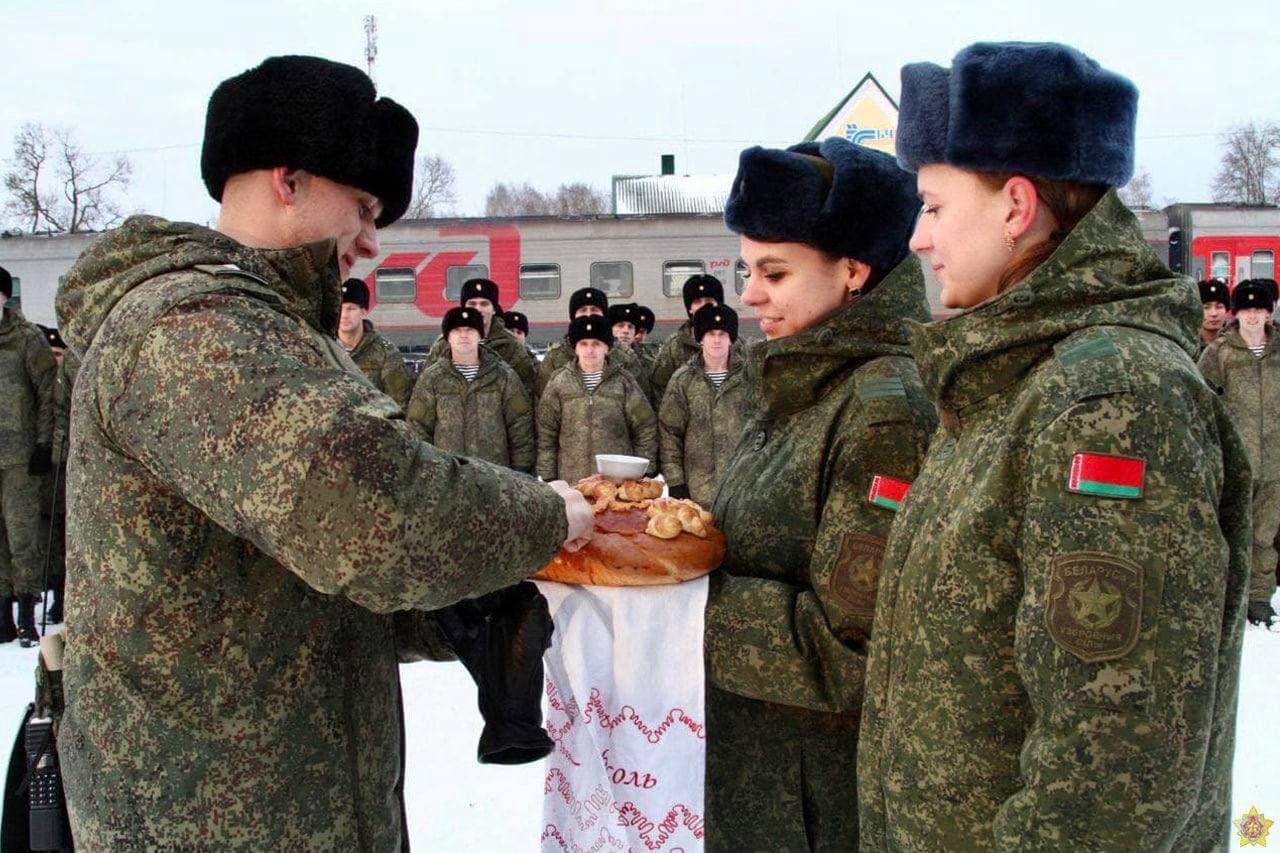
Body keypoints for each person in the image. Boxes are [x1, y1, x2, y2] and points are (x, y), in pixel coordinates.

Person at [52, 55, 592, 850]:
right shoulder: (191, 331)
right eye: (365, 208)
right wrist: (547, 519)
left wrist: (460, 607)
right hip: (213, 822)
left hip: (293, 803)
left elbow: (297, 580)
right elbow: (371, 513)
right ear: (289, 177)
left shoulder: (276, 333)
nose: (371, 241)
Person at [858, 42, 1250, 850]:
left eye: (933, 206)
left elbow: (1110, 781)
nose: (918, 239)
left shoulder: (1108, 399)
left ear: (1015, 206)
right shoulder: (1011, 377)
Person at [703, 136, 935, 849]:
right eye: (746, 270)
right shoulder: (801, 383)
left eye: (774, 272)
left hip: (818, 807)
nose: (748, 294)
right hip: (765, 782)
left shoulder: (882, 413)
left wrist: (684, 609)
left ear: (854, 270)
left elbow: (857, 651)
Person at [1199, 278, 1280, 625]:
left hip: (1275, 462)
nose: (1253, 316)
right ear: (1237, 313)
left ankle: (1259, 597)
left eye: (1259, 309)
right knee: (1231, 531)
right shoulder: (1219, 354)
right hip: (1235, 461)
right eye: (1247, 310)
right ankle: (1229, 594)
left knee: (1265, 534)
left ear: (1269, 312)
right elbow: (1202, 401)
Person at [0, 265, 57, 646]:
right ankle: (2, 613)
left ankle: (26, 612)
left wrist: (42, 444)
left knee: (22, 536)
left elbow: (47, 394)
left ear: (5, 297)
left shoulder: (26, 339)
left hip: (20, 457)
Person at [407, 307, 535, 473]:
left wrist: (521, 473)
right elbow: (418, 428)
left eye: (470, 330)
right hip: (448, 477)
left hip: (495, 477)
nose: (463, 335)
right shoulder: (432, 379)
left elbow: (520, 427)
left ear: (480, 335)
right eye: (457, 330)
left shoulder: (503, 376)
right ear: (448, 337)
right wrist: (427, 472)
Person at [537, 315, 657, 484]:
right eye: (583, 344)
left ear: (607, 348)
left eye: (596, 344)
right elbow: (546, 431)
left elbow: (645, 426)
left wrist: (643, 469)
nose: (589, 350)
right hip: (571, 480)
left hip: (617, 482)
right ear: (575, 348)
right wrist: (548, 474)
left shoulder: (624, 382)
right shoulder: (559, 382)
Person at [658, 304, 750, 508]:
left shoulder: (749, 376)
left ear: (731, 338)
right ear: (700, 338)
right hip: (697, 491)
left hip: (741, 489)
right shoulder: (683, 380)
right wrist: (676, 481)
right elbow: (669, 433)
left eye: (722, 334)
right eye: (710, 334)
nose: (717, 340)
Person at [428, 277, 536, 394]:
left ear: (494, 309)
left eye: (484, 304)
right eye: (472, 304)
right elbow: (426, 387)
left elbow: (526, 389)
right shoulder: (444, 344)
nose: (478, 309)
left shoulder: (511, 345)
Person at [535, 287, 646, 399]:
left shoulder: (625, 357)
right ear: (573, 316)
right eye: (582, 310)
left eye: (594, 310)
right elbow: (543, 399)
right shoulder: (554, 358)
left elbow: (641, 400)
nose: (589, 314)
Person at [338, 277, 413, 409]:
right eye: (340, 308)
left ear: (364, 311)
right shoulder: (323, 348)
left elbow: (400, 402)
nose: (344, 315)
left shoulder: (385, 352)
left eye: (351, 309)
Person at [1198, 277, 1230, 354]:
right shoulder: (1187, 345)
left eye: (1219, 307)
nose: (1214, 313)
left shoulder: (1236, 343)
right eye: (1206, 307)